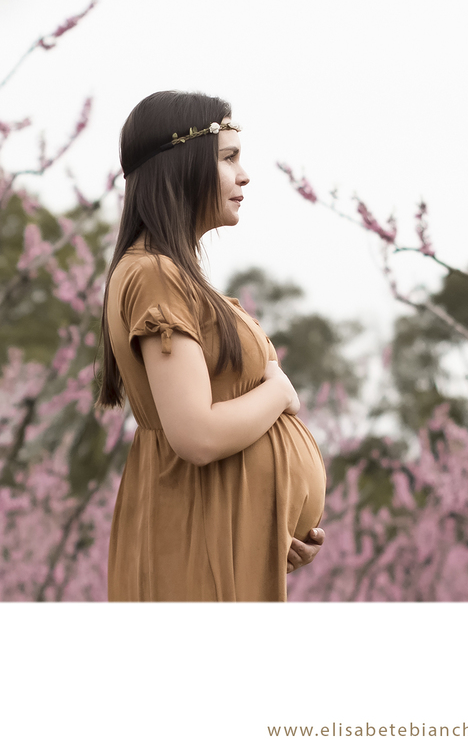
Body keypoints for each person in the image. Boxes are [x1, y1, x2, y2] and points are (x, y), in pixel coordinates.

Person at [98, 90, 327, 601]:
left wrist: (272, 518)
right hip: (194, 536)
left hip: (220, 529)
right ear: (182, 166)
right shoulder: (155, 276)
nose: (245, 175)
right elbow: (196, 435)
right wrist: (279, 393)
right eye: (228, 158)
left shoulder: (170, 275)